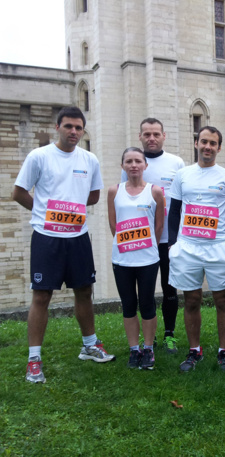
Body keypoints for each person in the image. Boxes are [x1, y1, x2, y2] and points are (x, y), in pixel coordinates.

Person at [12, 106, 115, 384]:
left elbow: (93, 196)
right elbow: (18, 192)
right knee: (42, 296)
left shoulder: (89, 159)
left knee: (84, 291)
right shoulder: (39, 156)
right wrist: (43, 212)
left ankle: (90, 346)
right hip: (47, 237)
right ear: (58, 127)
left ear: (83, 130)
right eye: (68, 126)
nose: (73, 132)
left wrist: (71, 211)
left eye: (78, 128)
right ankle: (34, 359)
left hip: (78, 236)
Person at [167, 126, 225, 372]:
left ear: (219, 148)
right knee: (191, 300)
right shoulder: (183, 174)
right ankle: (194, 351)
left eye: (213, 143)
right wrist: (173, 243)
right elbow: (175, 210)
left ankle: (223, 352)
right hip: (188, 247)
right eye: (204, 142)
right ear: (197, 143)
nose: (208, 147)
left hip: (218, 247)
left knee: (222, 300)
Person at [122, 118, 185, 354]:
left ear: (163, 136)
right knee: (144, 292)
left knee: (170, 289)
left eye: (156, 134)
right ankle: (145, 338)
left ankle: (169, 335)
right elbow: (123, 199)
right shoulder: (132, 163)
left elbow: (183, 199)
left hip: (168, 239)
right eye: (146, 134)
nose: (151, 138)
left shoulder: (176, 163)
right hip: (141, 241)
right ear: (140, 136)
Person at [109, 147, 165, 369]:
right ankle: (134, 349)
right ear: (122, 165)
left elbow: (159, 225)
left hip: (148, 259)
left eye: (138, 161)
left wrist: (148, 243)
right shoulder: (114, 191)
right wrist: (128, 244)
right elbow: (114, 225)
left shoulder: (155, 192)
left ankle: (148, 348)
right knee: (128, 304)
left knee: (148, 303)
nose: (134, 165)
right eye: (129, 161)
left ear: (145, 165)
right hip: (122, 259)